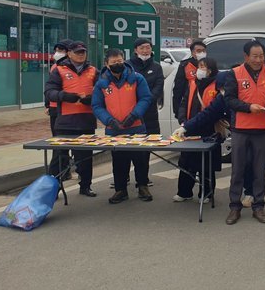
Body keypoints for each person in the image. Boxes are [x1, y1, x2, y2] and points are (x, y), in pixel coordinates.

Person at [223, 40, 265, 225]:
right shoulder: (234, 74)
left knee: (259, 170)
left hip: (262, 129)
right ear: (246, 57)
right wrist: (249, 107)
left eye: (261, 56)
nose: (258, 60)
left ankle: (259, 206)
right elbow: (230, 100)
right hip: (241, 128)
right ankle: (234, 207)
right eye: (254, 56)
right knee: (238, 169)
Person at [92, 48, 153, 204]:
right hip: (114, 130)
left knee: (140, 160)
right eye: (113, 62)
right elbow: (97, 105)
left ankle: (143, 186)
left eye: (120, 61)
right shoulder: (102, 83)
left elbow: (146, 98)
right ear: (106, 64)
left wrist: (134, 115)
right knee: (119, 161)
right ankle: (120, 190)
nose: (117, 64)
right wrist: (109, 121)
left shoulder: (137, 78)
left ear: (124, 61)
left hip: (136, 127)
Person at [44, 41, 99, 197]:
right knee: (59, 158)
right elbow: (49, 92)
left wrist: (92, 98)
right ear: (69, 53)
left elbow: (104, 89)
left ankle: (86, 186)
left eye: (83, 52)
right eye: (77, 52)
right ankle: (53, 190)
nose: (81, 55)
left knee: (85, 157)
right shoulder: (59, 70)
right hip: (65, 122)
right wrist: (64, 96)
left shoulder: (93, 71)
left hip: (86, 120)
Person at [173, 57, 220, 202]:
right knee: (186, 161)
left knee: (206, 164)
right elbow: (183, 103)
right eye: (199, 66)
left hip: (208, 130)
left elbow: (212, 112)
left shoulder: (217, 86)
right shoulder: (193, 84)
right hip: (189, 129)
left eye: (203, 67)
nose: (200, 70)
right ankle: (184, 192)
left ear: (211, 70)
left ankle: (206, 193)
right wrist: (182, 121)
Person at [123, 38, 164, 188]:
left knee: (146, 146)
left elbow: (159, 87)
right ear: (135, 50)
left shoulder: (157, 67)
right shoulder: (127, 65)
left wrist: (145, 102)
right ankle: (124, 176)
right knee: (126, 145)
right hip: (129, 112)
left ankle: (143, 178)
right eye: (142, 48)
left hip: (149, 113)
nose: (145, 50)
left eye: (148, 47)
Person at [46, 39, 73, 180]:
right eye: (57, 50)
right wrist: (47, 105)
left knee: (67, 145)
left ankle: (66, 172)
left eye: (61, 50)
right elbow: (49, 88)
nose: (58, 53)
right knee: (59, 145)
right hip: (56, 109)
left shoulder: (74, 68)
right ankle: (55, 177)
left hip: (71, 111)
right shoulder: (55, 68)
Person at [172, 40, 207, 119]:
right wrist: (177, 110)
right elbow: (178, 89)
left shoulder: (210, 64)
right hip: (189, 103)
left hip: (206, 102)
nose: (202, 53)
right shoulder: (185, 65)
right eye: (198, 51)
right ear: (192, 53)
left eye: (203, 51)